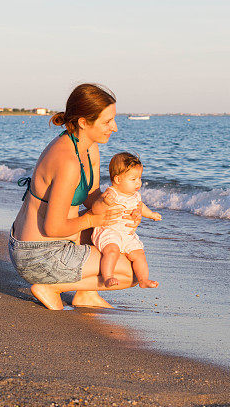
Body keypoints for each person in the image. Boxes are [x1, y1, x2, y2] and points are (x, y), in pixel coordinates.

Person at [9, 83, 139, 310]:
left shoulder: (88, 147)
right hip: (37, 255)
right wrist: (93, 220)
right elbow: (53, 227)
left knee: (122, 245)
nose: (115, 127)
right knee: (132, 274)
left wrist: (119, 211)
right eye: (107, 122)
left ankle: (86, 294)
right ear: (83, 122)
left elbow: (92, 197)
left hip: (59, 239)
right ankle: (51, 288)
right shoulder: (67, 161)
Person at [93, 152, 161, 288]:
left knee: (139, 254)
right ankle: (108, 277)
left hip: (127, 234)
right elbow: (95, 208)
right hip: (110, 231)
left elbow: (140, 207)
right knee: (112, 251)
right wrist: (104, 202)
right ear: (118, 180)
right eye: (133, 179)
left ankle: (143, 280)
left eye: (139, 178)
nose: (139, 183)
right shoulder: (112, 193)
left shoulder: (135, 196)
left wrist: (151, 214)